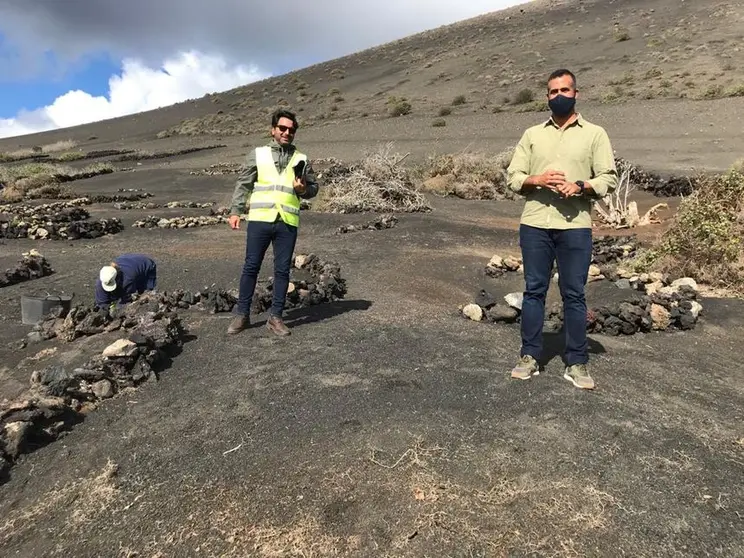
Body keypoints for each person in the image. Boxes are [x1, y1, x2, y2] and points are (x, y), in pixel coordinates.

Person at [506, 68, 618, 390]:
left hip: (575, 227)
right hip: (535, 224)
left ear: (576, 93)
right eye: (553, 92)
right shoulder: (532, 135)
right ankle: (529, 356)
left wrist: (581, 186)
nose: (559, 96)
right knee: (534, 291)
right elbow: (513, 177)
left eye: (564, 91)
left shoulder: (595, 134)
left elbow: (608, 177)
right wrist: (537, 179)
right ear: (547, 97)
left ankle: (577, 362)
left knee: (574, 294)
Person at [226, 108, 319, 336]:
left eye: (291, 130)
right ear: (273, 130)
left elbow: (314, 188)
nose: (287, 132)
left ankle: (275, 318)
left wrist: (303, 189)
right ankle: (242, 315)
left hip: (287, 221)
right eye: (283, 128)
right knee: (251, 267)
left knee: (282, 271)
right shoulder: (258, 154)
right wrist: (236, 210)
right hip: (260, 219)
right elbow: (244, 183)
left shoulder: (302, 159)